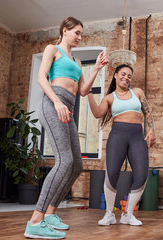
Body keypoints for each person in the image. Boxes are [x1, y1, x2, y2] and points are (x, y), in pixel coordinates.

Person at [24, 17, 108, 239]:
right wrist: (57, 102)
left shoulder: (77, 62)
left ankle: (50, 213)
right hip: (53, 103)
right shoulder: (53, 49)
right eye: (77, 33)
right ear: (65, 30)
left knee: (77, 164)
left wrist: (97, 69)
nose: (80, 37)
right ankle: (35, 220)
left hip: (68, 107)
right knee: (64, 161)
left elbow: (82, 91)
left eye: (81, 34)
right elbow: (42, 78)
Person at [87, 64, 156, 226]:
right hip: (118, 136)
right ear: (116, 76)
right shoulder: (110, 97)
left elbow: (147, 112)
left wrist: (151, 129)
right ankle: (109, 214)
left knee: (141, 175)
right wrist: (89, 93)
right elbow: (98, 113)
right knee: (112, 174)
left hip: (137, 137)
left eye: (129, 76)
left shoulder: (137, 92)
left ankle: (128, 214)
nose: (126, 78)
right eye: (123, 74)